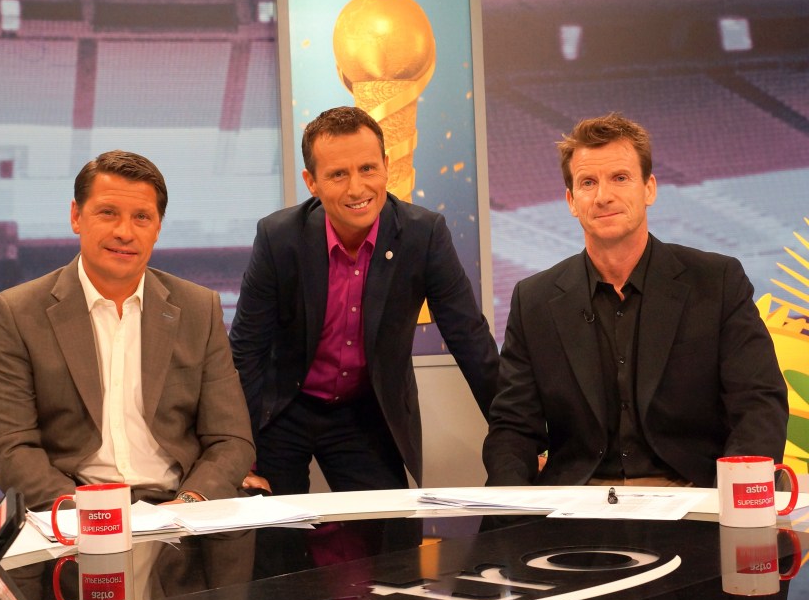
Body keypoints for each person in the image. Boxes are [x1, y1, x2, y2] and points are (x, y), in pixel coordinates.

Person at [483, 113, 788, 488]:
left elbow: (758, 403)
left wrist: (734, 497)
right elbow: (513, 427)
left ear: (649, 189)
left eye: (620, 178)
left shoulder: (717, 282)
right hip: (578, 503)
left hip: (692, 493)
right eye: (588, 183)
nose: (603, 195)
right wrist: (512, 512)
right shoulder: (534, 300)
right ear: (571, 200)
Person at [229, 106, 498, 495]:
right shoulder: (279, 238)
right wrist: (238, 453)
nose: (357, 189)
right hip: (285, 404)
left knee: (391, 539)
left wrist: (522, 437)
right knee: (274, 536)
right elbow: (246, 352)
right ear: (311, 182)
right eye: (338, 174)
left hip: (363, 409)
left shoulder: (424, 235)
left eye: (368, 169)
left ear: (387, 166)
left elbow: (470, 340)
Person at [0, 150, 255, 510]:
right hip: (74, 510)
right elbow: (9, 443)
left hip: (178, 510)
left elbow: (230, 439)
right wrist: (89, 514)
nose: (124, 232)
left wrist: (190, 501)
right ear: (76, 216)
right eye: (108, 213)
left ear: (157, 228)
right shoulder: (16, 313)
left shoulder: (199, 309)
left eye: (142, 217)